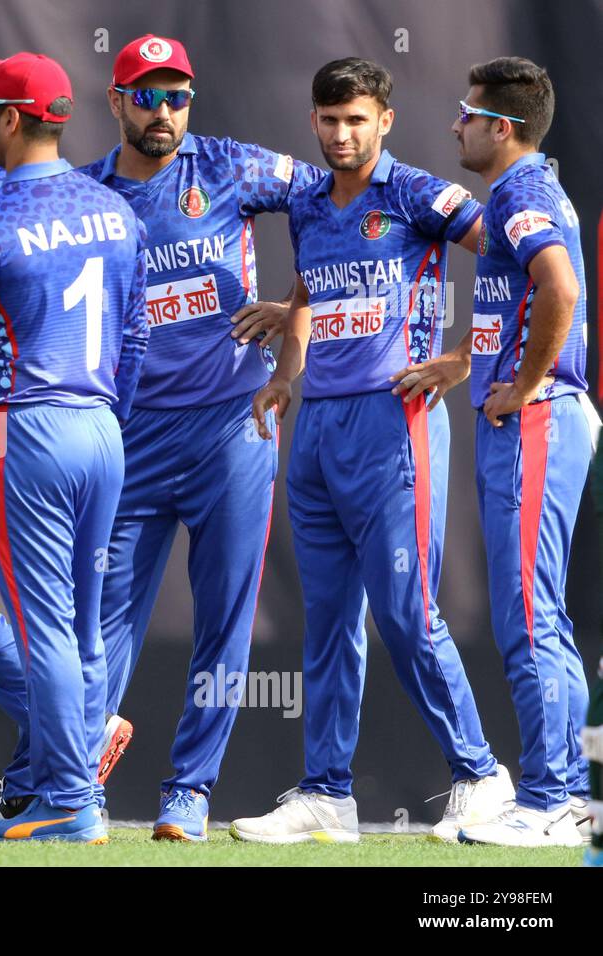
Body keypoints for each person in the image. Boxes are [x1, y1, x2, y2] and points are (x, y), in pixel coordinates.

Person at [233, 57, 513, 844]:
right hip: (319, 429)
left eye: (357, 120)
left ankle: (482, 773)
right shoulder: (309, 205)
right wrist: (287, 378)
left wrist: (464, 358)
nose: (342, 134)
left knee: (405, 612)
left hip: (398, 424)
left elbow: (516, 257)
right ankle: (326, 794)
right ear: (314, 122)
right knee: (325, 622)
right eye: (329, 121)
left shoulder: (419, 193)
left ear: (384, 120)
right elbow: (307, 302)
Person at [78, 34, 321, 841]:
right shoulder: (88, 195)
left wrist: (295, 314)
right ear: (115, 102)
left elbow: (338, 206)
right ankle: (78, 780)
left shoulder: (226, 167)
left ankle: (189, 790)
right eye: (145, 95)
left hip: (233, 426)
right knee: (103, 615)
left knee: (226, 616)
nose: (163, 110)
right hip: (133, 432)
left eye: (176, 94)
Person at [0, 53, 149, 843]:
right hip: (101, 427)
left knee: (43, 625)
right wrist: (110, 416)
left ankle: (68, 797)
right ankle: (57, 791)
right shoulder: (114, 210)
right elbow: (134, 337)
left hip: (24, 428)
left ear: (12, 117)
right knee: (86, 623)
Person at [439, 57, 594, 847]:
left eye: (465, 115)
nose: (456, 126)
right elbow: (522, 299)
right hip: (539, 417)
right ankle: (559, 794)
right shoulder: (519, 191)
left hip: (541, 420)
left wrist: (529, 383)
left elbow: (560, 289)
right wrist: (467, 358)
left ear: (502, 127)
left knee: (530, 618)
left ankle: (550, 801)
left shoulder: (525, 189)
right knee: (534, 616)